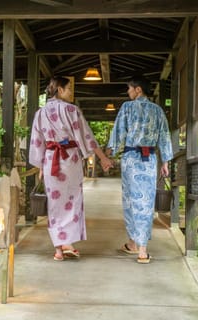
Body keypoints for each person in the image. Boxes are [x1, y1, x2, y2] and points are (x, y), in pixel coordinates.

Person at [29, 76, 113, 261]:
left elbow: (37, 142)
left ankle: (59, 249)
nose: (70, 93)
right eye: (68, 89)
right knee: (72, 200)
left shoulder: (40, 113)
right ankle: (67, 243)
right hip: (70, 160)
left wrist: (41, 165)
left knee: (55, 204)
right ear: (59, 90)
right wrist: (103, 158)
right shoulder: (72, 110)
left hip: (51, 160)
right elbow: (87, 138)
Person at [106, 75, 173, 264]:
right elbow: (164, 137)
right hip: (149, 160)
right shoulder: (158, 111)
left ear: (138, 90)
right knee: (145, 202)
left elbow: (118, 131)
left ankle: (136, 245)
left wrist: (110, 153)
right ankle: (139, 248)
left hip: (130, 160)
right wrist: (165, 162)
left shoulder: (127, 108)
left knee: (130, 201)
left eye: (129, 88)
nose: (128, 92)